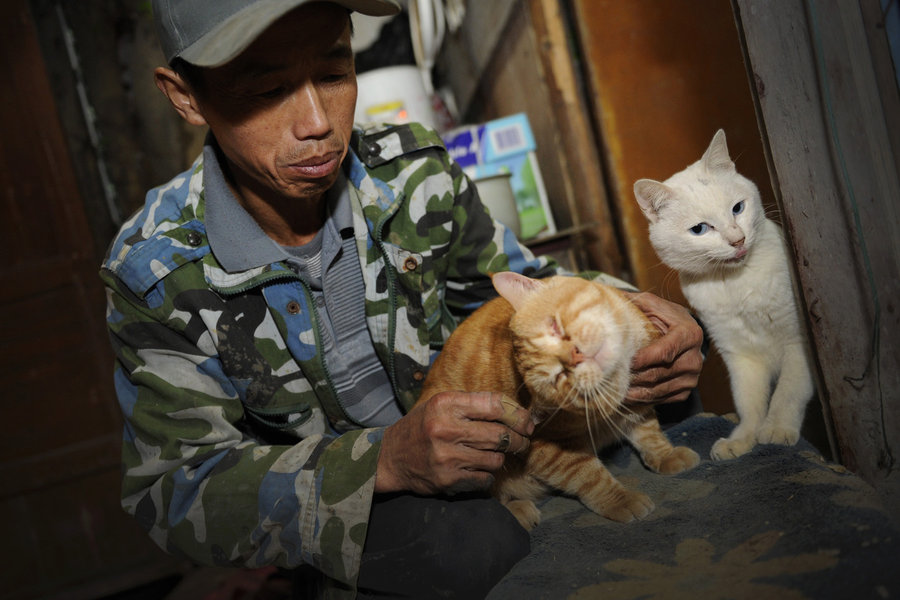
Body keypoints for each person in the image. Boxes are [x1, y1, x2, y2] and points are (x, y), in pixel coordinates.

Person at [99, 0, 704, 597]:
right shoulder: (157, 273)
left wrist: (641, 312)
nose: (317, 123)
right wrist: (384, 461)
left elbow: (530, 288)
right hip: (353, 496)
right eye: (266, 90)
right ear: (185, 96)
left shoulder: (414, 173)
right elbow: (176, 491)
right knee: (468, 546)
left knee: (667, 395)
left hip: (488, 447)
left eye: (334, 73)